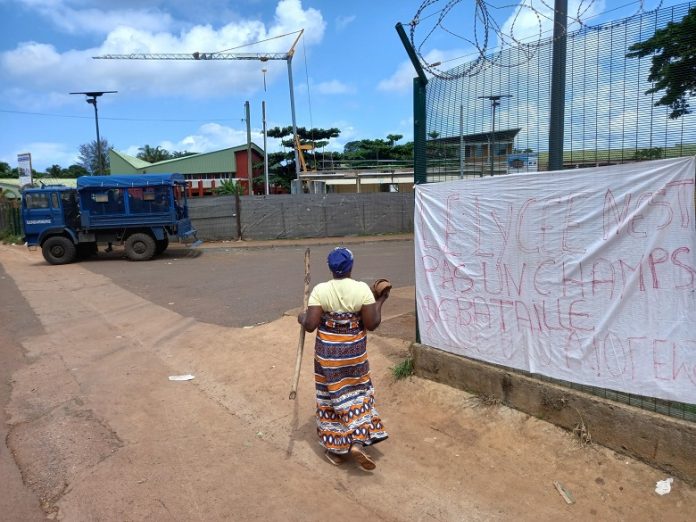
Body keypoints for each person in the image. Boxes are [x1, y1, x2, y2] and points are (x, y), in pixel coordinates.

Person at [297, 247, 389, 471]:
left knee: (330, 397)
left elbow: (310, 325)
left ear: (331, 268)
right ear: (351, 267)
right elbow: (372, 324)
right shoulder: (361, 290)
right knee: (358, 393)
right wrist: (381, 300)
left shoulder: (320, 291)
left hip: (328, 355)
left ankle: (335, 450)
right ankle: (357, 441)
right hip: (354, 354)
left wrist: (302, 317)